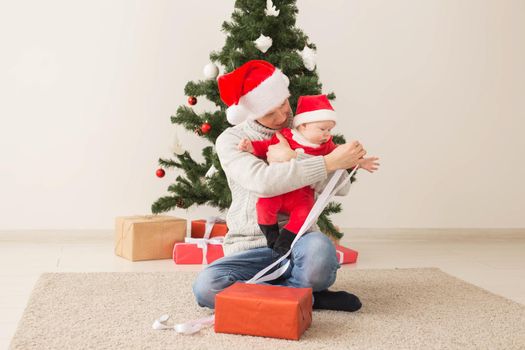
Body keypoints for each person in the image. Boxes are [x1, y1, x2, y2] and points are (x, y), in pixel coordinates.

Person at [192, 60, 366, 312]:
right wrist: (327, 162)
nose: (282, 116)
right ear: (250, 112)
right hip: (250, 246)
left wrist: (297, 157)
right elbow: (262, 183)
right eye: (269, 112)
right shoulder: (231, 140)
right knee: (206, 287)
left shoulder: (305, 127)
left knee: (320, 250)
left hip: (299, 241)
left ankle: (271, 294)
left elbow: (341, 188)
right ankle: (306, 296)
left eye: (283, 104)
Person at [237, 94, 379, 256]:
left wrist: (360, 162)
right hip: (277, 194)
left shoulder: (327, 146)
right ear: (303, 125)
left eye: (329, 130)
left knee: (304, 214)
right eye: (322, 129)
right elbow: (265, 149)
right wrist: (251, 148)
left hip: (302, 195)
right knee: (265, 206)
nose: (327, 134)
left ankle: (285, 242)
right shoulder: (287, 136)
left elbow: (342, 166)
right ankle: (272, 237)